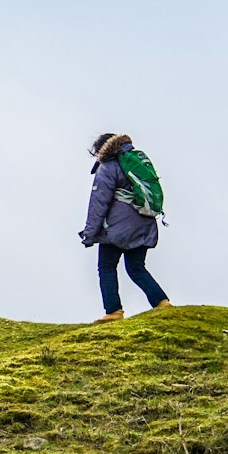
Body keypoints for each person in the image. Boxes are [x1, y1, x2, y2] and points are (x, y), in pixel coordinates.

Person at [80, 132, 172, 323]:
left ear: (101, 150)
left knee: (106, 267)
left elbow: (99, 203)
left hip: (117, 229)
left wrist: (90, 233)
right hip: (144, 224)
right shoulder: (134, 163)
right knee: (136, 267)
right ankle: (162, 303)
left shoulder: (108, 167)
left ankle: (114, 311)